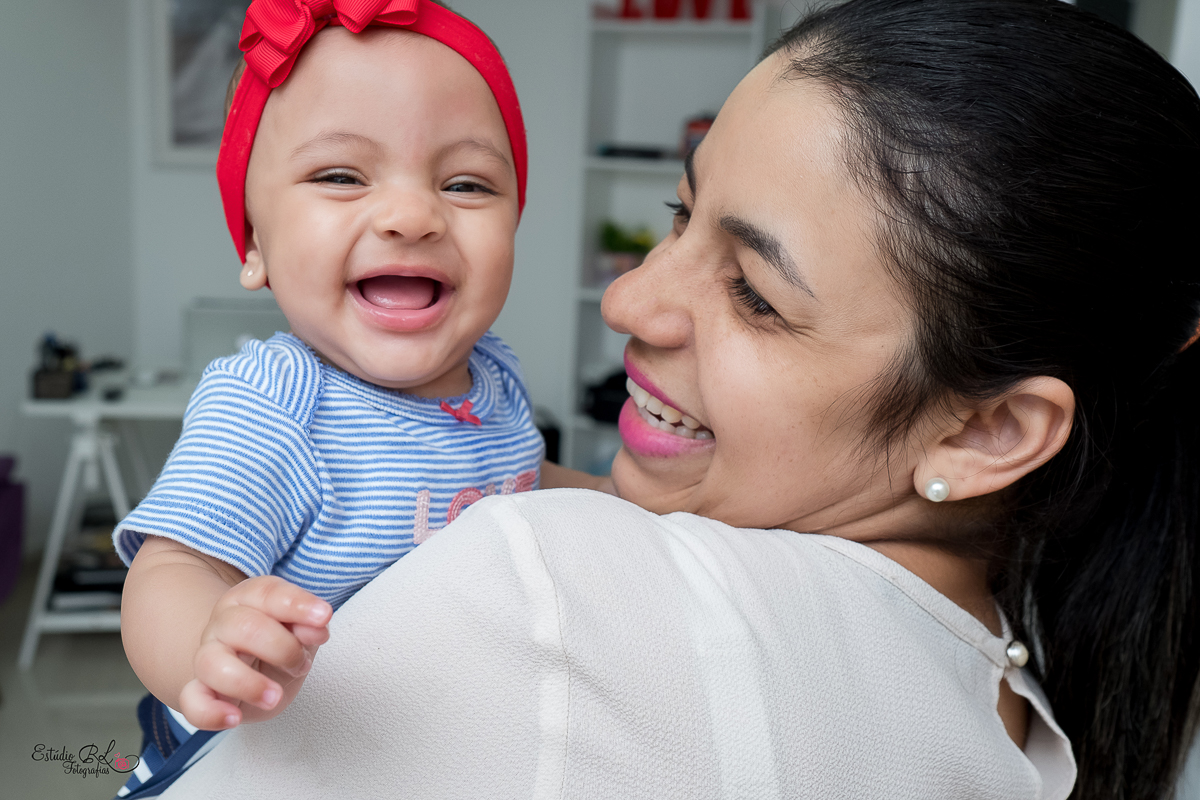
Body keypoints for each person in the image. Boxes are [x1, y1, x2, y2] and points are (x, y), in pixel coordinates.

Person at [158, 0, 1200, 797]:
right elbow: (175, 565)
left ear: (987, 429)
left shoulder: (541, 583)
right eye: (678, 211)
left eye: (753, 291)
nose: (626, 297)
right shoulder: (1033, 676)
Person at [110, 2, 601, 797]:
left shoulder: (496, 379)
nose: (412, 216)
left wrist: (632, 500)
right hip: (265, 759)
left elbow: (526, 483)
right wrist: (208, 638)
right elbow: (172, 566)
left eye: (466, 182)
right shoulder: (277, 403)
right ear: (257, 245)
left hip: (435, 750)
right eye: (340, 175)